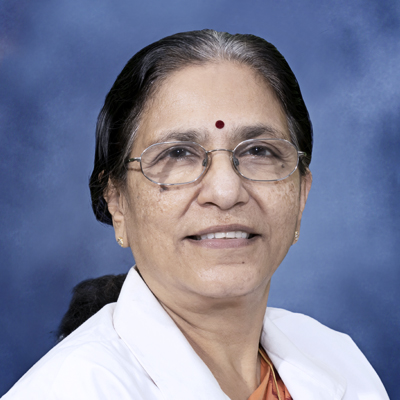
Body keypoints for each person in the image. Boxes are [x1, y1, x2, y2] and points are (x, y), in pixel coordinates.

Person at [2, 29, 389, 400]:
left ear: (301, 194)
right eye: (177, 153)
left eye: (259, 151)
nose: (225, 192)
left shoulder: (339, 361)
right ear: (117, 202)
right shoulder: (70, 391)